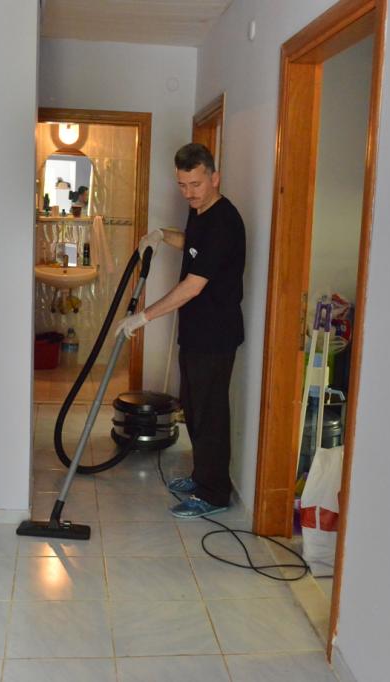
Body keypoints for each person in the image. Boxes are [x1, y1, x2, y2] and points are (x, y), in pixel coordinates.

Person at [115, 143, 246, 518]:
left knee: (209, 413)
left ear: (214, 177)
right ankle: (201, 477)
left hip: (215, 335)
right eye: (183, 185)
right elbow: (193, 245)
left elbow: (193, 285)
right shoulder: (201, 212)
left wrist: (143, 317)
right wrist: (161, 235)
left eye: (196, 184)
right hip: (195, 331)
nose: (189, 193)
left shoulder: (224, 221)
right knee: (193, 405)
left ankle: (214, 493)